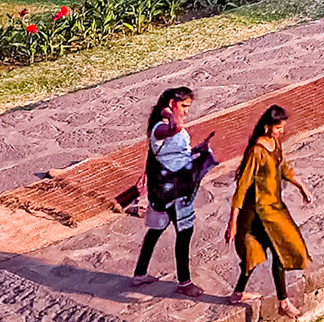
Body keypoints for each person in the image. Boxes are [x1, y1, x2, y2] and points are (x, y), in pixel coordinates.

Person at [227, 104, 312, 315]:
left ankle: (237, 293)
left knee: (255, 255)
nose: (281, 132)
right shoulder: (256, 152)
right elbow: (242, 187)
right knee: (277, 251)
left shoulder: (275, 144)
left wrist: (301, 186)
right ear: (267, 126)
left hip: (275, 209)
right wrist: (233, 222)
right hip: (259, 214)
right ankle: (283, 303)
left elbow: (282, 167)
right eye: (278, 128)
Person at [131, 86, 215, 296]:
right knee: (184, 232)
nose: (186, 111)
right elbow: (174, 129)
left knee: (156, 230)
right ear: (172, 104)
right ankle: (184, 283)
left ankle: (139, 274)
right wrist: (172, 114)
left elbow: (175, 153)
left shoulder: (164, 126)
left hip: (167, 189)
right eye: (184, 106)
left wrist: (197, 151)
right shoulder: (160, 127)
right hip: (173, 193)